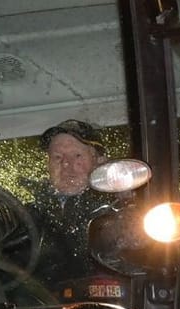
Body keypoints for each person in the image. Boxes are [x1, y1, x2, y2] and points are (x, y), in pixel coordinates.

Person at [25, 119, 120, 292]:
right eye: (57, 157)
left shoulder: (116, 212)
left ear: (100, 161)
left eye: (77, 155)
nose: (67, 164)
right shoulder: (27, 216)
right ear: (48, 166)